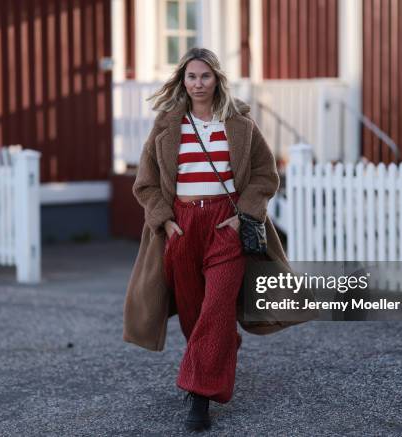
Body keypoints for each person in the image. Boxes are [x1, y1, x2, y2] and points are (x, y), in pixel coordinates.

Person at [122, 47, 293, 431]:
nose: (198, 83)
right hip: (181, 226)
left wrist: (242, 217)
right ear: (183, 81)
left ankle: (199, 396)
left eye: (205, 76)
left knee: (217, 306)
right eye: (191, 76)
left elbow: (266, 176)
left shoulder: (240, 124)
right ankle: (220, 349)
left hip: (225, 226)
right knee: (193, 312)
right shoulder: (166, 125)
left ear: (217, 80)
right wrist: (165, 222)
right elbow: (145, 184)